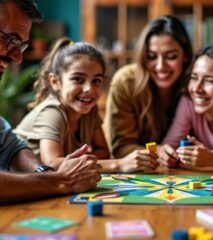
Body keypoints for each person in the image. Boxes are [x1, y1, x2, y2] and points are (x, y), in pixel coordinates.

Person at [0, 0, 101, 203]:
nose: (18, 57)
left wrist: (44, 173)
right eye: (10, 40)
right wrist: (60, 181)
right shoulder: (53, 110)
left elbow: (9, 146)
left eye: (21, 45)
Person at [103, 15, 193, 172]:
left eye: (171, 57)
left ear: (185, 55)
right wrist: (157, 151)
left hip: (178, 172)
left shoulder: (193, 85)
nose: (160, 66)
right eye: (151, 57)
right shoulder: (125, 82)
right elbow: (120, 148)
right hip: (132, 173)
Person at [14, 38, 110, 169]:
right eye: (78, 79)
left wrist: (75, 162)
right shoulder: (52, 111)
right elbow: (52, 164)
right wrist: (119, 163)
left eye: (97, 80)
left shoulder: (89, 110)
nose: (89, 89)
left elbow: (104, 152)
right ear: (55, 82)